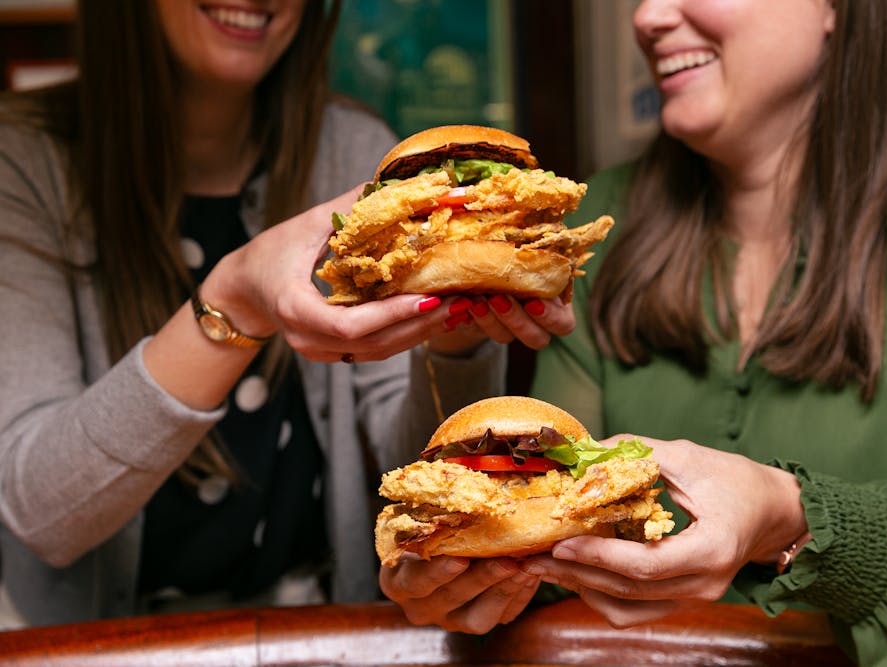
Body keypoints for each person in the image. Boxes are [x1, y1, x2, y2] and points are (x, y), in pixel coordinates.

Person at [378, 0, 887, 664]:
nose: (646, 16)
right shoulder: (598, 232)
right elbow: (552, 554)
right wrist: (472, 571)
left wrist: (793, 517)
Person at [0, 0, 574, 626]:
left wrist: (456, 330)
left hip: (329, 632)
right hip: (105, 643)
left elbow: (413, 481)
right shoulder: (21, 162)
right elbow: (42, 513)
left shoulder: (359, 149)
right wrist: (235, 298)